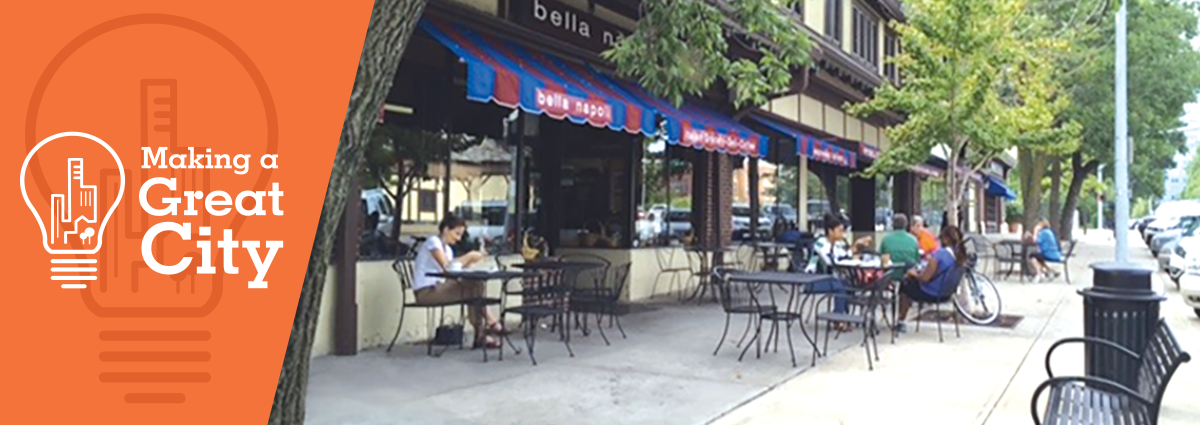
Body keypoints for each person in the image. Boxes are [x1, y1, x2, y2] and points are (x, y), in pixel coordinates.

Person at [411, 214, 502, 348]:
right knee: (474, 288)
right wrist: (469, 256)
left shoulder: (448, 250)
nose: (458, 238)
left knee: (475, 285)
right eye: (457, 233)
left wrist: (470, 262)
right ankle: (488, 325)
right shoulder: (433, 242)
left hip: (439, 288)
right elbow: (447, 267)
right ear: (446, 229)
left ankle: (484, 329)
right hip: (426, 292)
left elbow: (453, 273)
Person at [894, 225, 968, 333]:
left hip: (931, 293)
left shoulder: (939, 255)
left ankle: (901, 320)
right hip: (947, 294)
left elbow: (924, 278)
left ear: (946, 239)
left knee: (905, 285)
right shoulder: (960, 256)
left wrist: (913, 273)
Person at [803, 214, 868, 328]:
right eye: (840, 230)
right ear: (830, 231)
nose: (843, 233)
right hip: (813, 280)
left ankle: (844, 315)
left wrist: (856, 246)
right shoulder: (821, 243)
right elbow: (831, 261)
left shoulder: (837, 245)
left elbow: (845, 256)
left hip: (829, 279)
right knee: (839, 286)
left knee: (847, 284)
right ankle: (838, 319)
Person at [879, 213, 921, 278]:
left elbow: (882, 258)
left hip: (891, 277)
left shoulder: (886, 239)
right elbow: (917, 260)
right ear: (906, 225)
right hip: (909, 277)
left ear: (892, 225)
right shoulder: (913, 240)